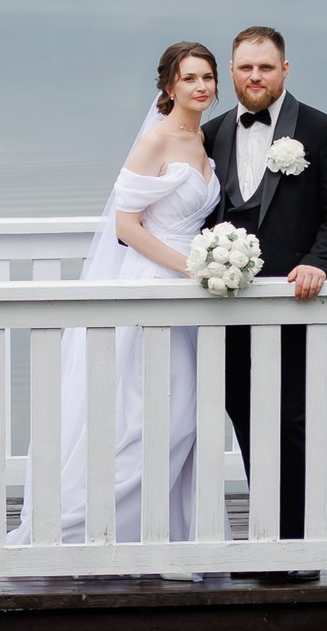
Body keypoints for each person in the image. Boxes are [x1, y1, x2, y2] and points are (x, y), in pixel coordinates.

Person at [12, 40, 218, 552]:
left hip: (190, 294)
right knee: (149, 415)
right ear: (169, 86)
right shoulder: (157, 140)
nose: (201, 86)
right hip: (154, 284)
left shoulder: (204, 141)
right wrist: (190, 266)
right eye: (190, 77)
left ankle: (163, 538)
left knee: (179, 415)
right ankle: (80, 531)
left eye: (208, 77)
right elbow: (126, 226)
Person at [203, 25, 327, 556]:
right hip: (224, 311)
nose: (255, 77)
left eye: (266, 67)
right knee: (241, 420)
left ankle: (296, 550)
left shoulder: (321, 130)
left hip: (294, 309)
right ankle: (258, 542)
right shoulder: (212, 133)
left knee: (291, 425)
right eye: (246, 67)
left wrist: (319, 263)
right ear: (232, 71)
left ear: (285, 70)